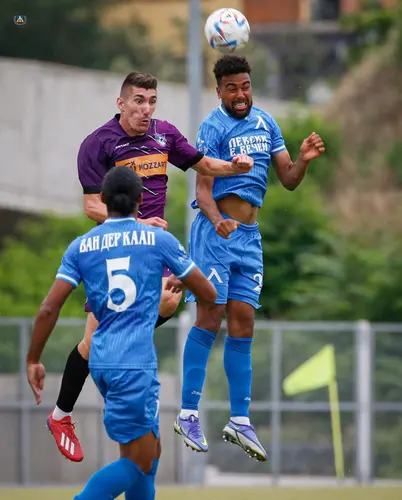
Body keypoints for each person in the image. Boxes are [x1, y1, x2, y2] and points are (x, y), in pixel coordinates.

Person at [46, 70, 254, 464]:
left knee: (170, 299)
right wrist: (140, 224)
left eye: (152, 101)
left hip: (151, 251)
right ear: (121, 103)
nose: (146, 109)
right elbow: (92, 206)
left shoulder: (164, 135)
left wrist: (235, 167)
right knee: (92, 342)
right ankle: (61, 416)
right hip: (115, 249)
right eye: (138, 101)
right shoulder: (98, 144)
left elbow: (203, 164)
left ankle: (124, 364)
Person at [26, 166, 218, 500]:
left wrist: (33, 359)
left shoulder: (82, 246)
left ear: (102, 198)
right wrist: (182, 279)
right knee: (139, 459)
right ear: (141, 200)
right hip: (133, 365)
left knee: (150, 451)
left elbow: (48, 308)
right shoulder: (157, 239)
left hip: (101, 359)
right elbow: (210, 294)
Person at [174, 55, 325, 461]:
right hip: (215, 232)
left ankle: (240, 421)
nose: (240, 94)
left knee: (243, 322)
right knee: (211, 315)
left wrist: (304, 160)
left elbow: (288, 180)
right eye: (231, 88)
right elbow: (202, 191)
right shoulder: (213, 127)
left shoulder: (266, 123)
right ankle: (187, 413)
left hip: (249, 238)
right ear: (219, 91)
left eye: (245, 86)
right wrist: (217, 220)